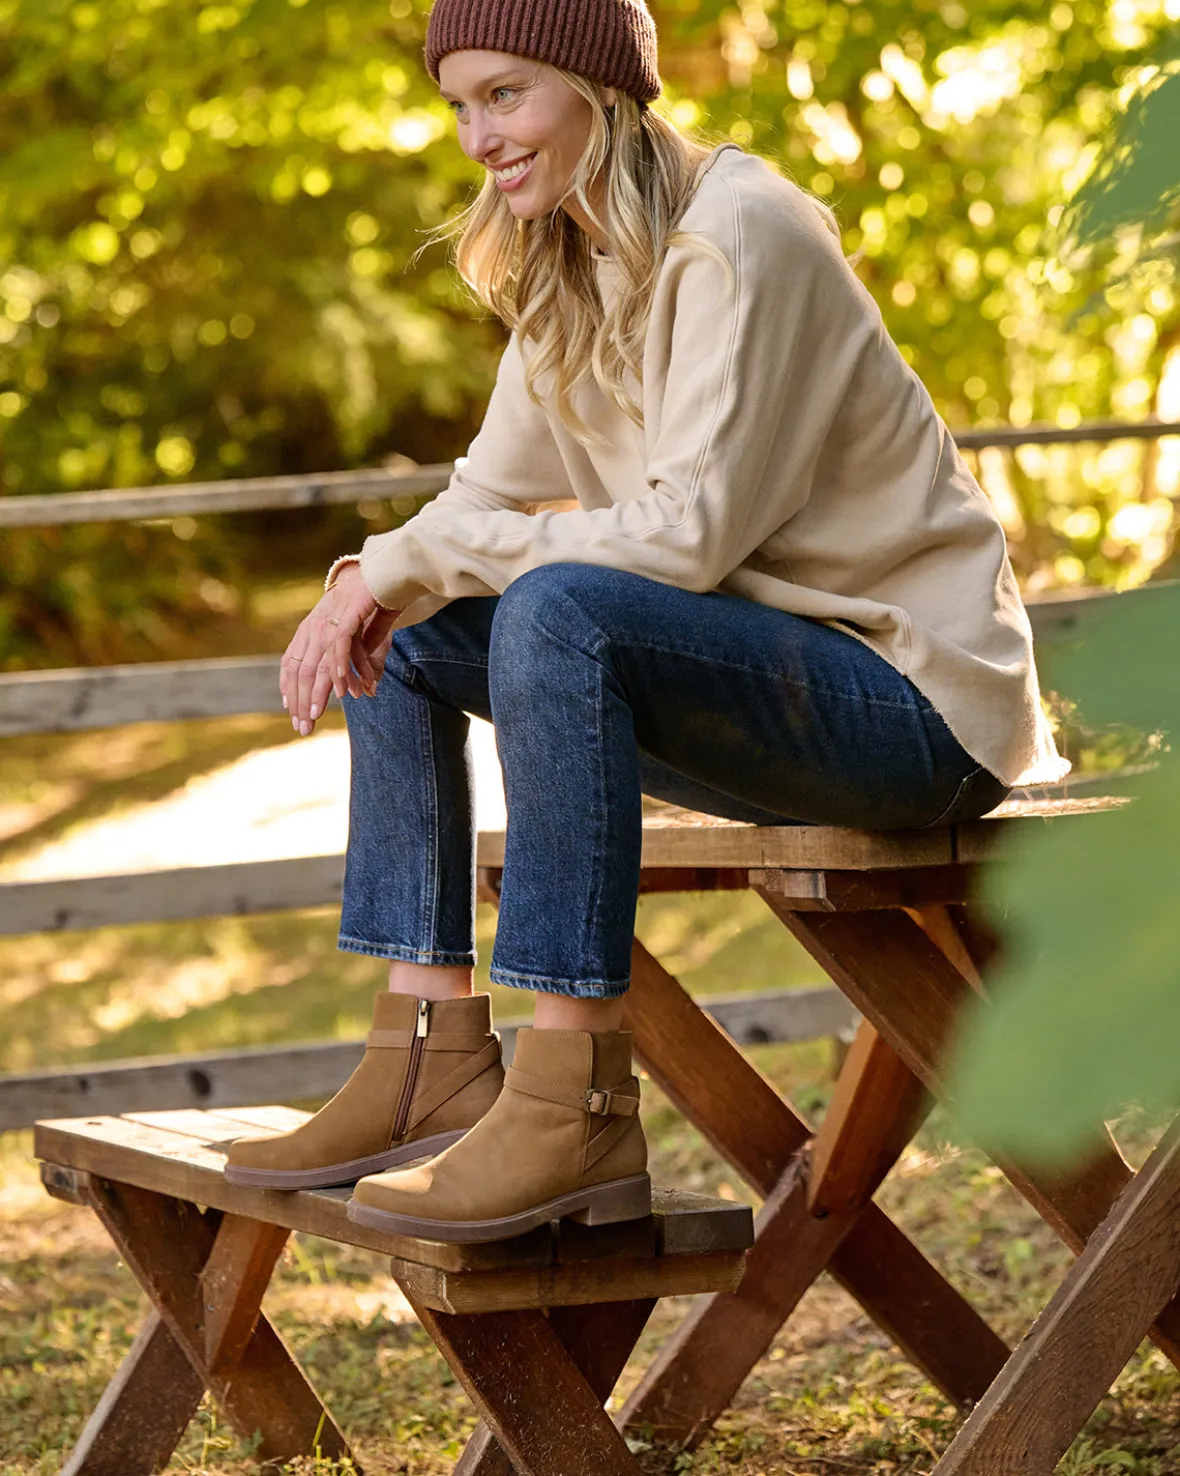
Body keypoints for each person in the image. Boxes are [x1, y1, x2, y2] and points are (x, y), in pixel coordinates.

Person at [224, 0, 1068, 1241]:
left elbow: (686, 538)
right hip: (769, 690)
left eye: (505, 94)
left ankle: (572, 1102)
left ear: (598, 85)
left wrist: (411, 563)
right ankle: (425, 1056)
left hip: (915, 704)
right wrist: (377, 578)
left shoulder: (744, 232)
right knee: (404, 626)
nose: (476, 137)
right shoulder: (567, 257)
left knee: (555, 608)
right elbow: (483, 495)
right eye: (458, 105)